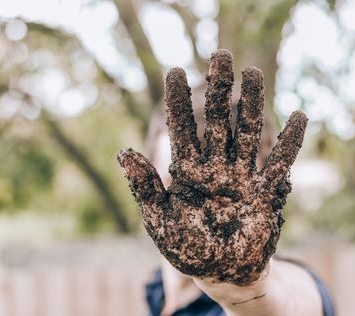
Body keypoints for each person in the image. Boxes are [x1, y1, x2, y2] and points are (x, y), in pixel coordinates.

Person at [118, 49, 335, 316]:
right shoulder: (156, 291)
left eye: (231, 194)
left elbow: (292, 305)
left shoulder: (279, 286)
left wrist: (248, 291)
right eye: (176, 182)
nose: (204, 212)